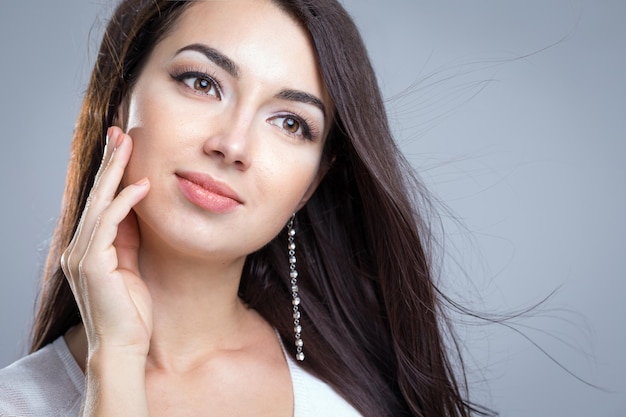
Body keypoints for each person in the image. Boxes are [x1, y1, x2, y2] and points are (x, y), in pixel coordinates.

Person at [0, 0, 493, 416]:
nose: (233, 144)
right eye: (202, 82)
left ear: (310, 185)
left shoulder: (352, 402)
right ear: (119, 98)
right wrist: (117, 360)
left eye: (290, 123)